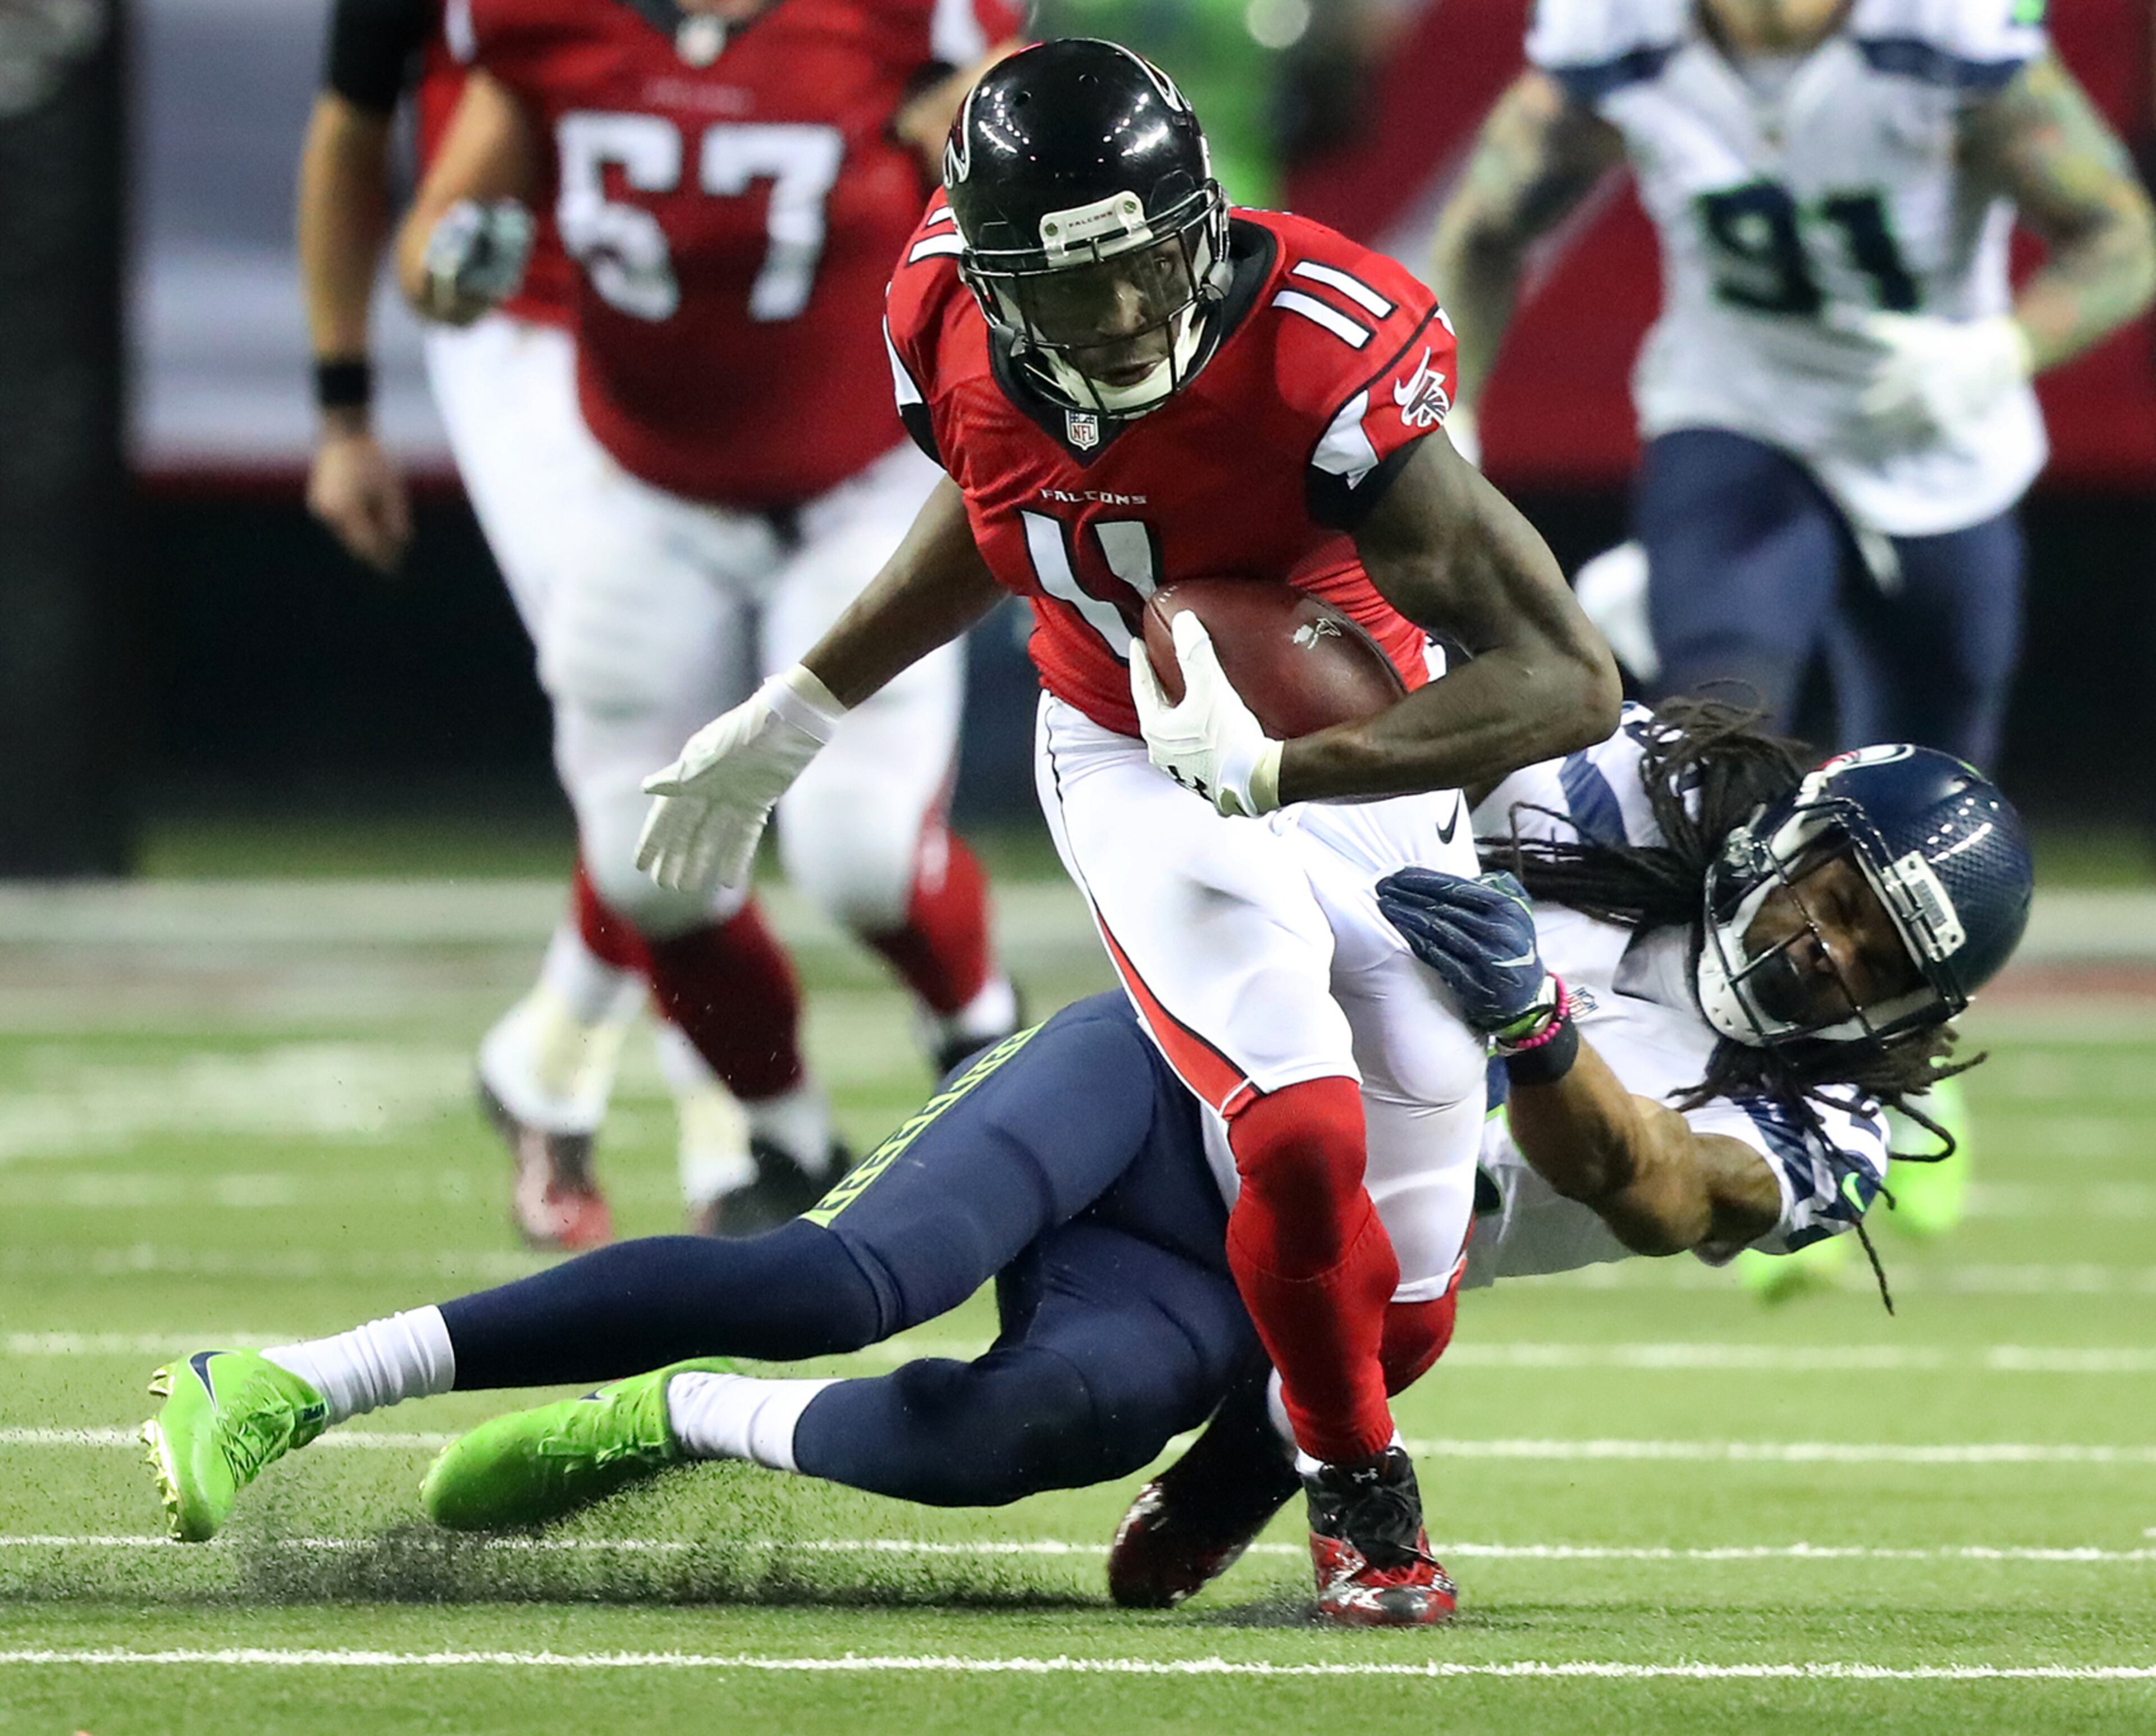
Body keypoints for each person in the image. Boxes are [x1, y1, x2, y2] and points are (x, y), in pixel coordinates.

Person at [138, 710, 2032, 1625]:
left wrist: (1535, 1031)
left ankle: (676, 1419)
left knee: (1011, 1437)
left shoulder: (1837, 1116)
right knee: (836, 1280)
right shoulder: (1625, 795)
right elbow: (1392, 770)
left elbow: (1660, 1192)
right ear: (1791, 832)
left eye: (1882, 958)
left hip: (1278, 1273)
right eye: (1841, 902)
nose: (1829, 955)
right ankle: (293, 1381)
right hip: (1181, 1072)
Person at [632, 37, 1621, 1621]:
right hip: (1128, 748)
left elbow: (1572, 677)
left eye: (1143, 267)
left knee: (1413, 1298)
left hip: (1349, 753)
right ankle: (1371, 1511)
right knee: (1295, 1132)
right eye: (1067, 285)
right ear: (996, 270)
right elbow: (994, 504)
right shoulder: (940, 312)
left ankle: (1247, 1465)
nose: (1117, 317)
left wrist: (1298, 770)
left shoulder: (1317, 347)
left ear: (1199, 222)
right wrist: (799, 710)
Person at [388, 0, 1030, 1235]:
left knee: (861, 853)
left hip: (863, 479)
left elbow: (1006, 143)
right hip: (649, 485)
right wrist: (449, 264)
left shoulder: (903, 21)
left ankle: (974, 1034)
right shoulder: (545, 23)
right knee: (654, 865)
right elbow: (440, 233)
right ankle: (783, 1140)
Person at [1428, 0, 2156, 771]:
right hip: (1734, 405)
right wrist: (1450, 410)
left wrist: (2001, 351)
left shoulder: (1944, 30)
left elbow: (2124, 235)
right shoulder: (1619, 28)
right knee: (1715, 746)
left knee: (1934, 778)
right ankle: (1685, 604)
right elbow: (1484, 231)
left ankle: (1663, 589)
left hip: (1932, 429)